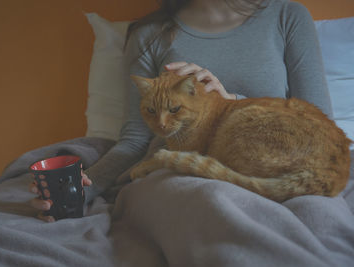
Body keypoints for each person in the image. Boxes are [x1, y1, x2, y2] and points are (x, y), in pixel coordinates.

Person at [29, 0, 333, 222]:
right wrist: (78, 191)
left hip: (269, 155)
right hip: (176, 170)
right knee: (208, 203)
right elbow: (135, 139)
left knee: (318, 215)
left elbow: (322, 123)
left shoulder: (286, 15)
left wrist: (229, 103)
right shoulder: (149, 34)